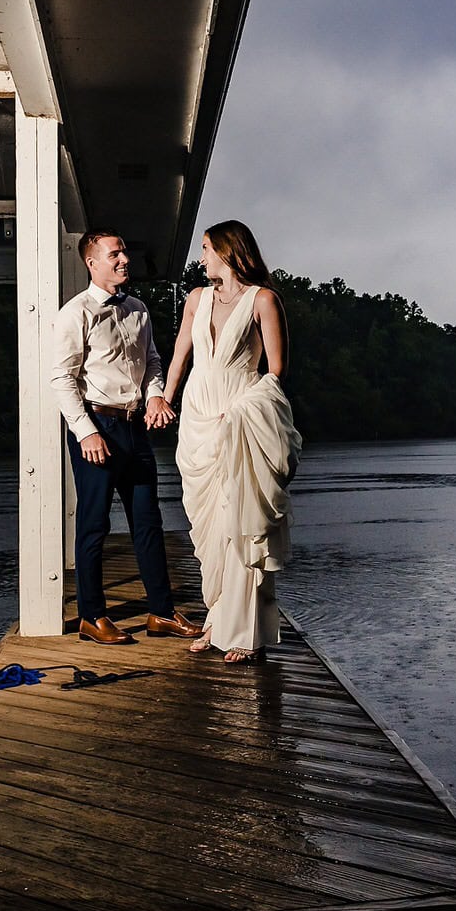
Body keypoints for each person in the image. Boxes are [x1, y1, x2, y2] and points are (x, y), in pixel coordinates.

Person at [50, 228, 204, 644]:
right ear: (92, 262)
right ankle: (91, 617)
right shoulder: (75, 313)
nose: (124, 260)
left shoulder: (137, 308)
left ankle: (161, 613)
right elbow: (61, 380)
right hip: (97, 428)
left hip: (135, 428)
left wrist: (155, 398)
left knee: (148, 522)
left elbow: (153, 362)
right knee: (94, 524)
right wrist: (85, 433)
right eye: (115, 254)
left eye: (124, 253)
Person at [164, 220, 302, 663]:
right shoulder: (196, 299)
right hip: (198, 419)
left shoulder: (263, 300)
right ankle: (215, 620)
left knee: (239, 520)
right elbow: (180, 354)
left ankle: (244, 632)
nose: (200, 257)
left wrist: (243, 411)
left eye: (206, 248)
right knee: (207, 529)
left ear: (227, 251)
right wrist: (163, 400)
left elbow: (276, 370)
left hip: (240, 417)